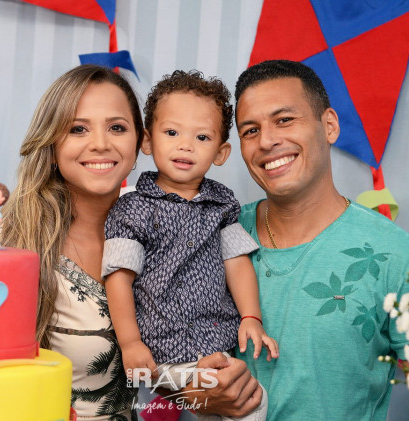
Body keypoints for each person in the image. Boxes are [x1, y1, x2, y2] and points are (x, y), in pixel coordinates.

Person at [1, 65, 264, 420]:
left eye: (116, 127)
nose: (100, 143)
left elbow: (148, 374)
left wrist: (198, 389)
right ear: (51, 141)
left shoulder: (173, 223)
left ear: (139, 140)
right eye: (78, 128)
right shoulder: (17, 244)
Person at [233, 59, 409, 420]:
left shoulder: (401, 259)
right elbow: (153, 361)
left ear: (329, 126)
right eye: (250, 130)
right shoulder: (216, 237)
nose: (266, 141)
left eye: (284, 120)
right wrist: (200, 396)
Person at [101, 70, 277, 419]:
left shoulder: (221, 205)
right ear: (147, 141)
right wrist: (130, 342)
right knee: (190, 402)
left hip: (215, 342)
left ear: (221, 152)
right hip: (159, 351)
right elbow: (118, 277)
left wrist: (250, 317)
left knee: (249, 402)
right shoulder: (133, 208)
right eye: (172, 133)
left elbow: (236, 261)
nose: (185, 145)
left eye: (202, 137)